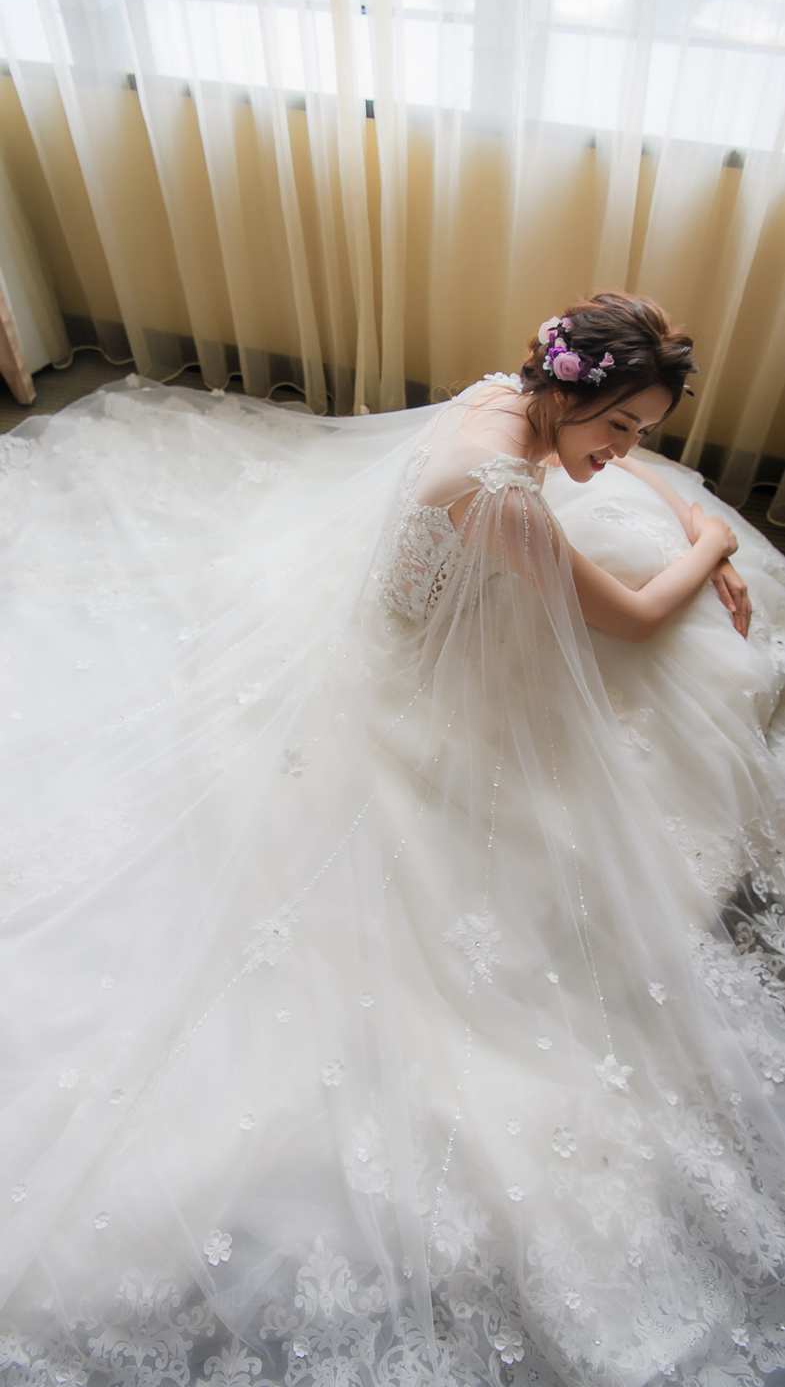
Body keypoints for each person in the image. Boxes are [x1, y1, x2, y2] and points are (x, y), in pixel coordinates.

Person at [3, 290, 785, 1387]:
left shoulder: (504, 397)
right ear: (566, 389)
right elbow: (634, 614)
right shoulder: (499, 490)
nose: (625, 448)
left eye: (641, 428)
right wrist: (709, 542)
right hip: (433, 683)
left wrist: (677, 512)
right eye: (617, 425)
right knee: (668, 646)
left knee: (652, 548)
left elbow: (638, 479)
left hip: (455, 603)